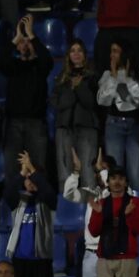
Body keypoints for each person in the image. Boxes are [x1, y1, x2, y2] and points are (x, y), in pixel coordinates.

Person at [0, 17, 54, 202]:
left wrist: (31, 35)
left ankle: (40, 208)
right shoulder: (13, 67)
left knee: (38, 168)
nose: (25, 44)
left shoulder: (40, 67)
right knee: (12, 171)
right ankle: (14, 212)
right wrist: (17, 38)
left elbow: (47, 59)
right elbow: (1, 61)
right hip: (13, 123)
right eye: (22, 43)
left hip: (35, 123)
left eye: (28, 42)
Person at [3, 153, 56, 277]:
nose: (30, 181)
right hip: (19, 263)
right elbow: (8, 192)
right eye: (28, 179)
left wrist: (32, 170)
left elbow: (48, 191)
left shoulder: (47, 202)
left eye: (34, 178)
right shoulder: (18, 201)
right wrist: (22, 173)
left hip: (41, 263)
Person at [52, 41, 102, 195]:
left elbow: (91, 103)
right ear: (68, 55)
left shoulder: (93, 77)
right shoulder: (61, 78)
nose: (76, 53)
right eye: (72, 50)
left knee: (88, 174)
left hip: (87, 129)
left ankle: (90, 215)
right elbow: (58, 104)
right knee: (65, 176)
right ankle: (67, 213)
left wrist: (79, 87)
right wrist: (74, 88)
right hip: (64, 130)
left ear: (85, 55)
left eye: (80, 50)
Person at [96, 40, 139, 192]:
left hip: (134, 125)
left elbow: (138, 99)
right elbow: (102, 100)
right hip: (114, 124)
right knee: (115, 172)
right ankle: (115, 210)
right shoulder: (107, 75)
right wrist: (113, 77)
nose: (112, 55)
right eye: (111, 51)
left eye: (116, 51)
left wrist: (124, 78)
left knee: (136, 171)